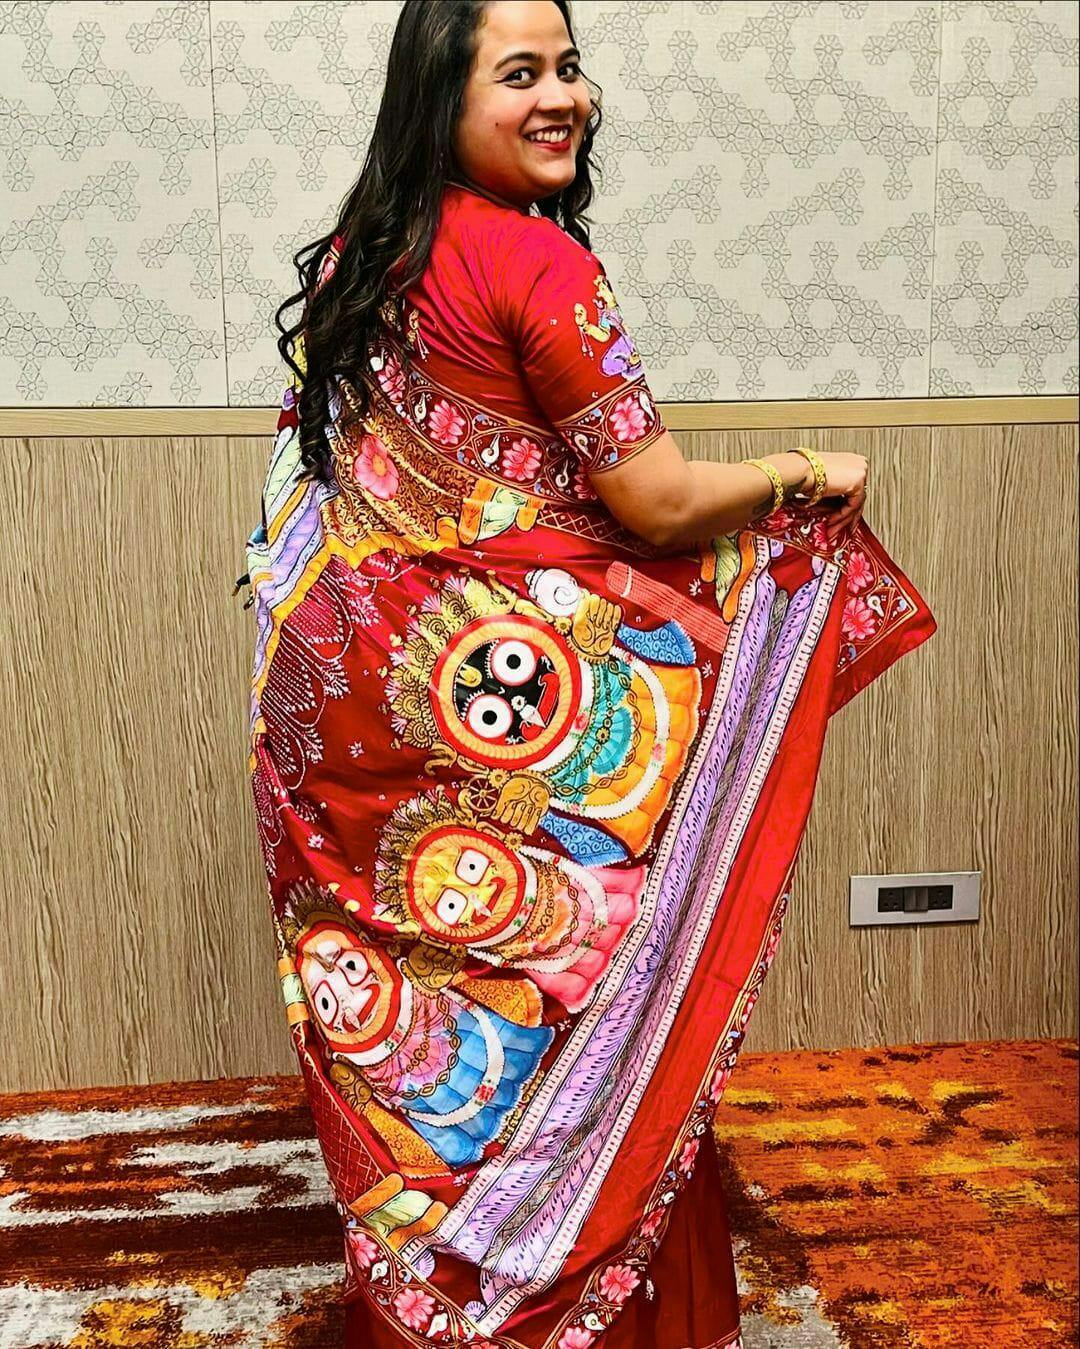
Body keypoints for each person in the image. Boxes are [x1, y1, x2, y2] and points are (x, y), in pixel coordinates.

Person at [238, 3, 936, 1345]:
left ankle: (441, 1296)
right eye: (520, 74)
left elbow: (339, 529)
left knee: (419, 1049)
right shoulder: (538, 265)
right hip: (491, 738)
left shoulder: (351, 262)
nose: (561, 95)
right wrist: (803, 472)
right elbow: (654, 503)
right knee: (579, 1012)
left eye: (568, 67)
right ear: (440, 99)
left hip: (357, 742)